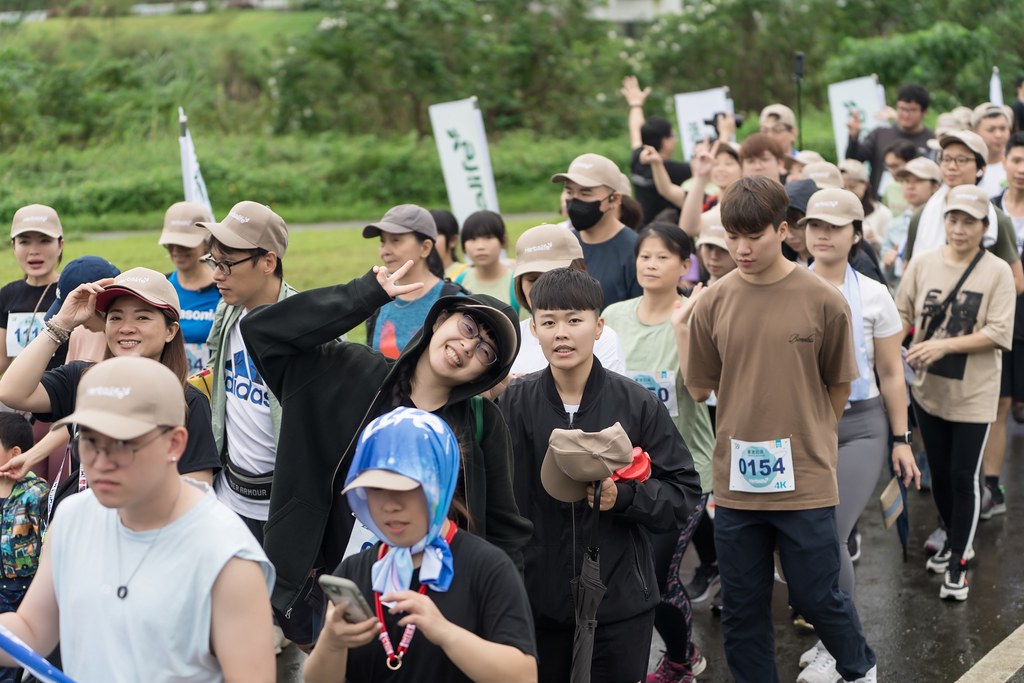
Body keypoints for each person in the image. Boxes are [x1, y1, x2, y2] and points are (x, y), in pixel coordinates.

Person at [240, 259, 532, 637]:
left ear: (486, 374)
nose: (467, 345)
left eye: (486, 352)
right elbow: (263, 331)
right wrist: (364, 296)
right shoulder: (351, 371)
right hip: (320, 591)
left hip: (424, 608)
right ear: (440, 319)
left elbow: (504, 531)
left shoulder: (483, 424)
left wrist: (501, 625)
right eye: (468, 327)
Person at [684, 176, 877, 682]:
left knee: (817, 594)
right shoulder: (713, 302)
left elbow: (839, 385)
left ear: (784, 229)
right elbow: (701, 386)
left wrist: (812, 437)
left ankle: (859, 669)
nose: (742, 249)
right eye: (732, 237)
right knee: (745, 607)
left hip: (806, 477)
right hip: (738, 483)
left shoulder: (823, 300)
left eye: (755, 236)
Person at [0, 356, 275, 682]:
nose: (100, 462)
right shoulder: (73, 517)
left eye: (123, 443)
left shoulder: (228, 556)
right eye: (89, 440)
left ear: (175, 443)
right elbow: (32, 630)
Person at [498, 267, 701, 683]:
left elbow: (683, 495)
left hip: (621, 602)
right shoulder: (511, 404)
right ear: (533, 329)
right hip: (537, 602)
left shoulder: (637, 403)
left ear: (599, 326)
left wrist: (624, 499)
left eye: (575, 320)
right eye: (549, 322)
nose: (562, 333)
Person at [303, 407, 537, 683]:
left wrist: (445, 633)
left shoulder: (489, 567)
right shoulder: (352, 571)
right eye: (375, 489)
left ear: (439, 485)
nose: (390, 506)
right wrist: (332, 642)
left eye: (406, 488)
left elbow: (524, 676)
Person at [796, 189, 920, 680]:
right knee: (798, 542)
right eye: (814, 225)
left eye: (834, 226)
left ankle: (840, 645)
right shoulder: (782, 285)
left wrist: (901, 439)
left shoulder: (873, 294)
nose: (823, 235)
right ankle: (836, 635)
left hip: (860, 428)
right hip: (798, 426)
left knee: (828, 535)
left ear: (856, 234)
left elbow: (891, 373)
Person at [0, 268, 221, 517]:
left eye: (142, 318)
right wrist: (61, 324)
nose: (126, 328)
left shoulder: (188, 401)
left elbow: (198, 495)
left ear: (170, 331)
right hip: (86, 534)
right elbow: (12, 392)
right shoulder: (82, 380)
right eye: (115, 317)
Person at [602, 224, 715, 682]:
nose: (650, 264)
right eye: (645, 256)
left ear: (684, 265)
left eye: (662, 257)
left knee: (654, 575)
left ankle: (681, 657)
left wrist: (683, 328)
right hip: (626, 471)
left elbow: (701, 388)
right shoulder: (614, 315)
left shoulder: (694, 314)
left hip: (684, 471)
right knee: (628, 571)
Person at [895, 184, 1015, 600]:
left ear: (986, 226)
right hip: (928, 390)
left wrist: (943, 345)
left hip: (975, 393)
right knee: (941, 476)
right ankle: (951, 538)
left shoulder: (997, 270)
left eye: (970, 221)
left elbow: (999, 332)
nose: (959, 228)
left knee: (964, 476)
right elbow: (901, 311)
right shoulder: (924, 264)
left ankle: (960, 560)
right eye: (953, 218)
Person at [509, 224, 626, 376]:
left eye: (553, 277)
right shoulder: (509, 340)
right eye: (533, 280)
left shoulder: (603, 339)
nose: (543, 288)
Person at [363, 204, 462, 358]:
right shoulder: (378, 300)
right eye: (382, 242)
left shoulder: (453, 302)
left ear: (425, 248)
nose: (385, 251)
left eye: (396, 240)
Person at [551, 153, 644, 307]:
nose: (574, 200)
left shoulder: (635, 250)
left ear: (614, 199)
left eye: (585, 193)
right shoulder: (563, 245)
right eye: (569, 192)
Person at [988, 131, 1024, 515]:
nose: (1022, 169)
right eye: (1017, 160)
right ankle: (991, 486)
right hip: (1003, 318)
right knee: (1000, 403)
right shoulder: (989, 211)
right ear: (1006, 163)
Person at [0, 413, 48, 683]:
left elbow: (45, 537)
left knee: (18, 656)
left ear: (14, 453)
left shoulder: (36, 491)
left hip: (24, 587)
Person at [0, 204, 66, 376]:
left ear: (60, 245)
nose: (34, 251)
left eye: (45, 240)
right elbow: (2, 361)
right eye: (24, 242)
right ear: (14, 246)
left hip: (63, 396)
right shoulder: (7, 294)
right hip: (18, 394)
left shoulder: (72, 293)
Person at [159, 201, 221, 374]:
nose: (177, 250)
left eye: (186, 243)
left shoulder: (224, 290)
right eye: (171, 243)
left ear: (206, 243)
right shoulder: (159, 287)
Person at [621, 75, 692, 226]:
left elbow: (635, 131)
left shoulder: (637, 158)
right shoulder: (673, 170)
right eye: (673, 136)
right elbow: (707, 167)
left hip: (643, 231)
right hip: (668, 233)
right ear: (665, 141)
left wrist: (635, 105)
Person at [846, 85, 935, 195]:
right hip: (878, 202)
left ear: (924, 112)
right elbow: (854, 161)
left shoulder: (931, 140)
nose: (905, 115)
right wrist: (853, 138)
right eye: (902, 109)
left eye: (912, 110)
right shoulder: (880, 133)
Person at [881, 157, 942, 289]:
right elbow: (888, 277)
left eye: (918, 180)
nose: (910, 186)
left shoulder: (944, 221)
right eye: (906, 181)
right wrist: (887, 265)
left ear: (935, 186)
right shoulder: (895, 225)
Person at [454, 210, 521, 316]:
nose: (480, 246)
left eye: (488, 237)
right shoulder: (458, 282)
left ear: (503, 241)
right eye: (472, 239)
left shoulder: (517, 285)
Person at [841, 159, 893, 255]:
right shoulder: (834, 212)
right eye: (842, 188)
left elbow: (891, 248)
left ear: (865, 185)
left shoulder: (882, 213)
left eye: (852, 186)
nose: (847, 191)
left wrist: (875, 239)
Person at [972, 102, 1013, 197]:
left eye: (1003, 128)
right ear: (975, 132)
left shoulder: (1018, 166)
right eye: (991, 130)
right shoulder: (968, 166)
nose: (998, 135)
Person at [430, 209, 469, 281]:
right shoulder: (418, 277)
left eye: (435, 234)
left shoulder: (467, 274)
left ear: (453, 240)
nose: (428, 242)